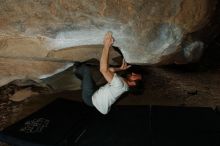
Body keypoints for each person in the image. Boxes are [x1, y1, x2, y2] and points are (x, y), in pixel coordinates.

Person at [74, 32, 143, 115]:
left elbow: (103, 69)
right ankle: (83, 79)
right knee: (90, 77)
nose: (133, 73)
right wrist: (120, 68)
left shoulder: (120, 85)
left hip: (90, 98)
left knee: (86, 69)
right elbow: (110, 70)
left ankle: (76, 70)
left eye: (135, 76)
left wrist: (106, 46)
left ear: (132, 83)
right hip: (96, 92)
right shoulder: (124, 85)